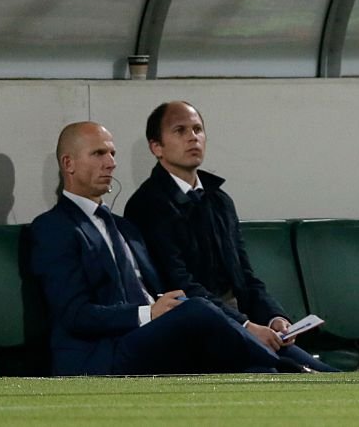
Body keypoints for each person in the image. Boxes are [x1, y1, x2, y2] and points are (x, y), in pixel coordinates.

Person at [30, 121, 309, 376]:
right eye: (99, 154)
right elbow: (74, 314)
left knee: (255, 361)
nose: (111, 163)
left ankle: (329, 377)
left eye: (113, 153)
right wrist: (148, 313)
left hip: (154, 340)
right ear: (69, 164)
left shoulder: (124, 227)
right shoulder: (53, 228)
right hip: (101, 353)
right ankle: (289, 369)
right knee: (199, 310)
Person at [124, 101, 337, 373]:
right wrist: (245, 326)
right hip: (200, 333)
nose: (193, 137)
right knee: (282, 375)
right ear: (157, 147)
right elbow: (179, 285)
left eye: (198, 129)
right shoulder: (147, 205)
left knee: (329, 376)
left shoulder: (219, 200)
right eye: (180, 130)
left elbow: (244, 275)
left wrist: (274, 317)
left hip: (242, 325)